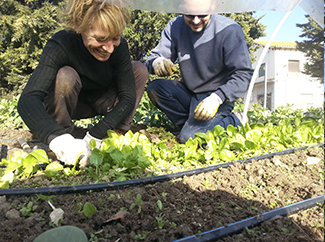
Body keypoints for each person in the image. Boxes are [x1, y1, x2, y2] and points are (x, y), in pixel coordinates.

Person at [17, 0, 148, 167]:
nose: (109, 48)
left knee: (138, 69)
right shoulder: (62, 44)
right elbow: (28, 99)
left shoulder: (119, 47)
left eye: (115, 38)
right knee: (65, 75)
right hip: (71, 101)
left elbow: (128, 97)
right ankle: (62, 133)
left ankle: (114, 134)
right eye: (101, 39)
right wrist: (56, 138)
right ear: (80, 27)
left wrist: (97, 133)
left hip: (101, 100)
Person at [145, 8, 253, 144]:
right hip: (190, 93)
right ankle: (191, 127)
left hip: (217, 98)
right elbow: (154, 57)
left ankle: (236, 120)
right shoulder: (175, 26)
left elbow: (243, 74)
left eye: (202, 15)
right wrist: (157, 62)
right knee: (156, 88)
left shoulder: (229, 29)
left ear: (212, 8)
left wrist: (217, 98)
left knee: (190, 139)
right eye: (189, 15)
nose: (196, 20)